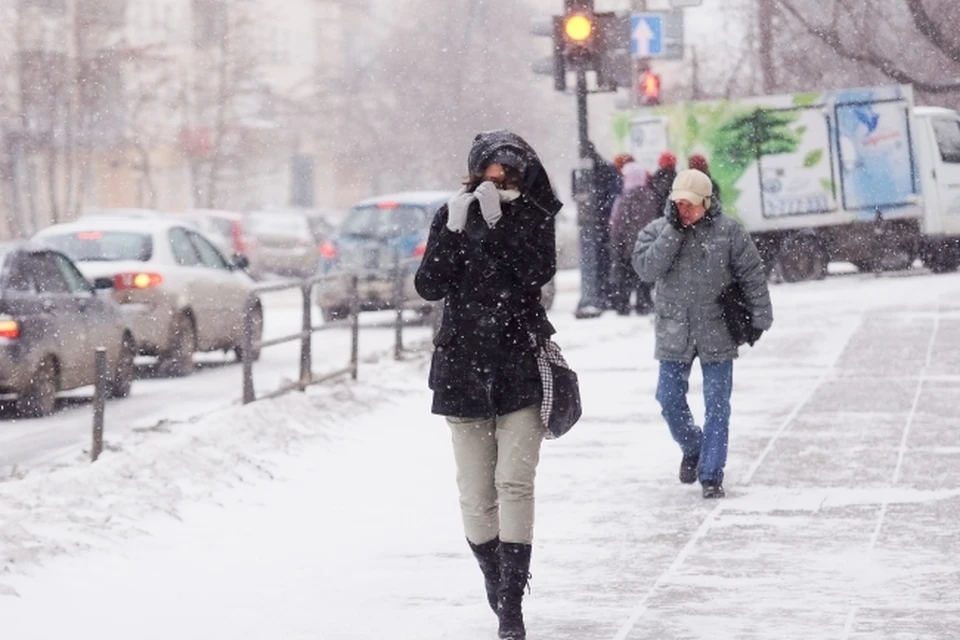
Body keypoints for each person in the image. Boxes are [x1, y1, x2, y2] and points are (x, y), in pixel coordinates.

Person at [414, 130, 563, 640]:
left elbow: (534, 275)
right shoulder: (449, 215)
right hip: (461, 369)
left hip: (518, 365)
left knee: (514, 484)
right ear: (476, 171)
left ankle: (512, 605)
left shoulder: (533, 218)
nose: (497, 182)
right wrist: (455, 232)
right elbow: (429, 285)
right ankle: (495, 581)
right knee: (476, 495)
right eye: (490, 173)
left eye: (507, 173)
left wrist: (498, 226)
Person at [632, 169, 772, 499]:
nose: (685, 210)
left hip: (717, 328)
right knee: (668, 398)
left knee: (718, 404)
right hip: (673, 328)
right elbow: (646, 269)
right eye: (679, 204)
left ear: (708, 203)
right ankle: (693, 447)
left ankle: (711, 474)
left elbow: (752, 273)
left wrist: (760, 318)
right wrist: (673, 232)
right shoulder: (657, 231)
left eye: (691, 205)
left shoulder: (729, 232)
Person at [575, 142, 622, 319]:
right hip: (601, 223)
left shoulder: (595, 170)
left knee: (598, 260)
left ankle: (599, 296)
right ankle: (603, 295)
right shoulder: (605, 168)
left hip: (598, 222)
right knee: (603, 260)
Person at [608, 162, 657, 315]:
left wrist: (616, 241)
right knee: (642, 277)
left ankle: (623, 304)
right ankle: (643, 303)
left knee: (625, 276)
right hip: (645, 244)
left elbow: (618, 223)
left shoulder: (625, 197)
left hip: (627, 245)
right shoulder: (649, 195)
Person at [649, 151, 677, 218]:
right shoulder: (675, 176)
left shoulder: (659, 176)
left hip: (660, 210)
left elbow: (660, 191)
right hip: (670, 211)